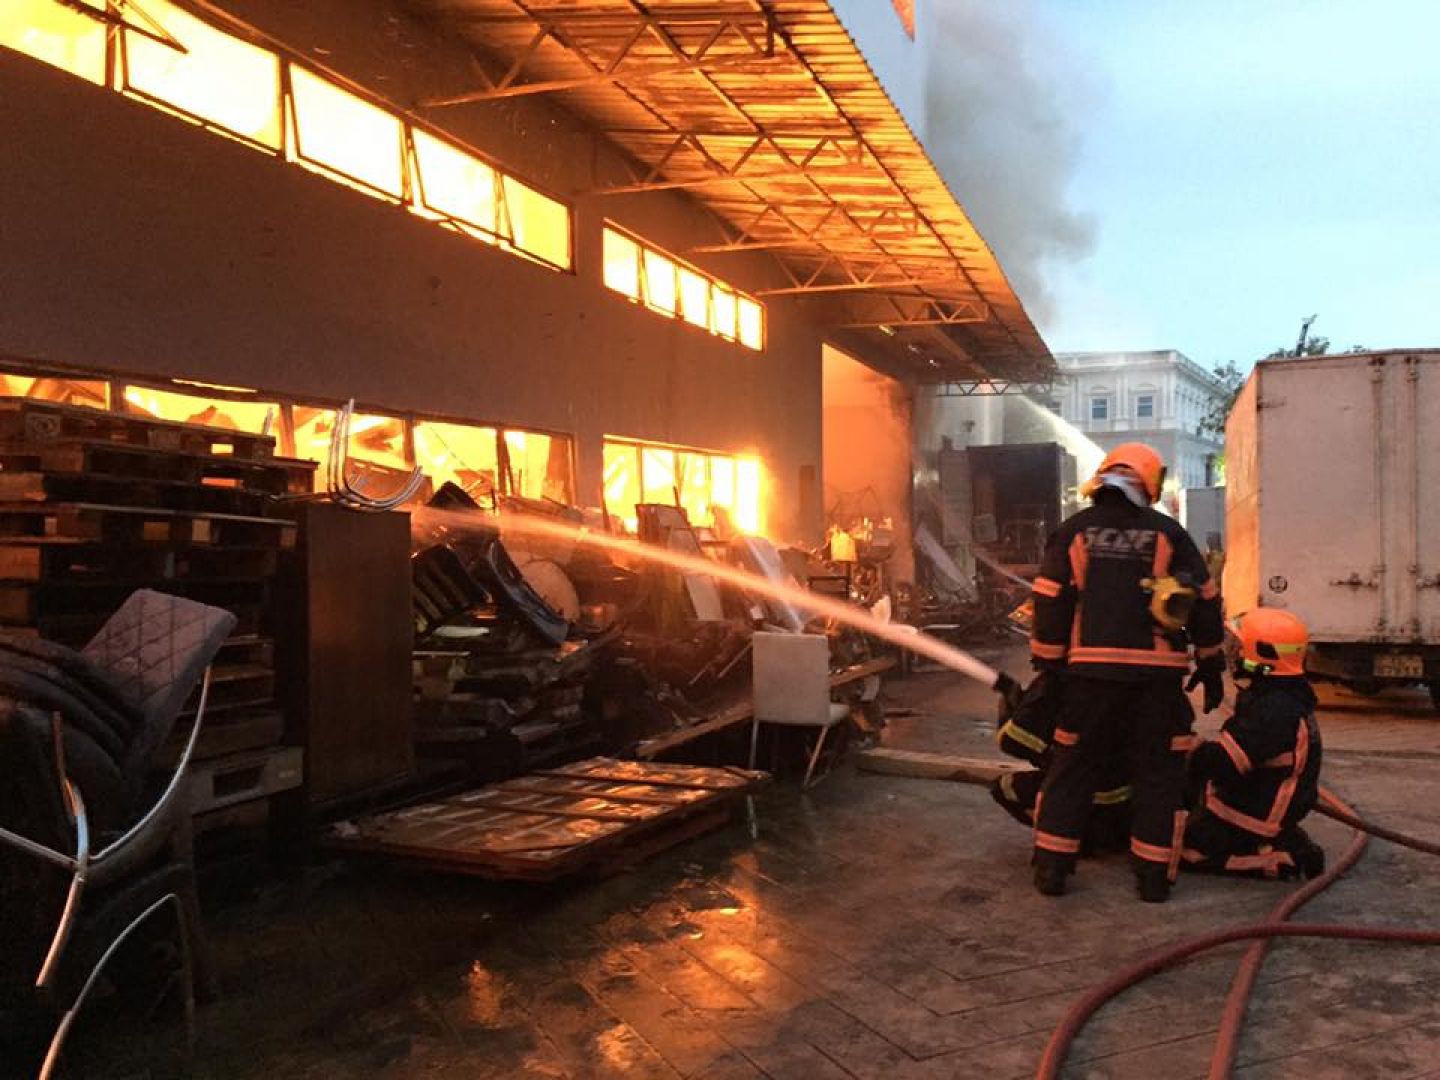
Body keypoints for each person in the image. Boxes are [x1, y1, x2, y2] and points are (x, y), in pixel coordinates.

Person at [1028, 442, 1225, 902]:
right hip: (1157, 683)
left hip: (1089, 680)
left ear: (1102, 481)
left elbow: (1050, 600)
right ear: (1150, 483)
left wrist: (1050, 666)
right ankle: (1153, 879)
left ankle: (1053, 870)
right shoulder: (1169, 535)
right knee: (1159, 774)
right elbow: (1205, 601)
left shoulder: (1073, 532)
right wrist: (1212, 662)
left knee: (1073, 767)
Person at [1181, 608, 1325, 879]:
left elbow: (1224, 764)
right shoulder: (1283, 695)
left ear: (1264, 654)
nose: (1236, 652)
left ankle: (1277, 860)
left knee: (1190, 851)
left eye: (1241, 646)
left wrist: (1193, 750)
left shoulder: (1274, 709)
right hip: (1262, 803)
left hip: (1253, 817)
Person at [991, 670, 1133, 855]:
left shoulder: (1056, 680)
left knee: (1005, 787)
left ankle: (1074, 840)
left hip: (1079, 798)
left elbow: (1013, 742)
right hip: (1127, 806)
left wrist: (1008, 712)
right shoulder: (1127, 679)